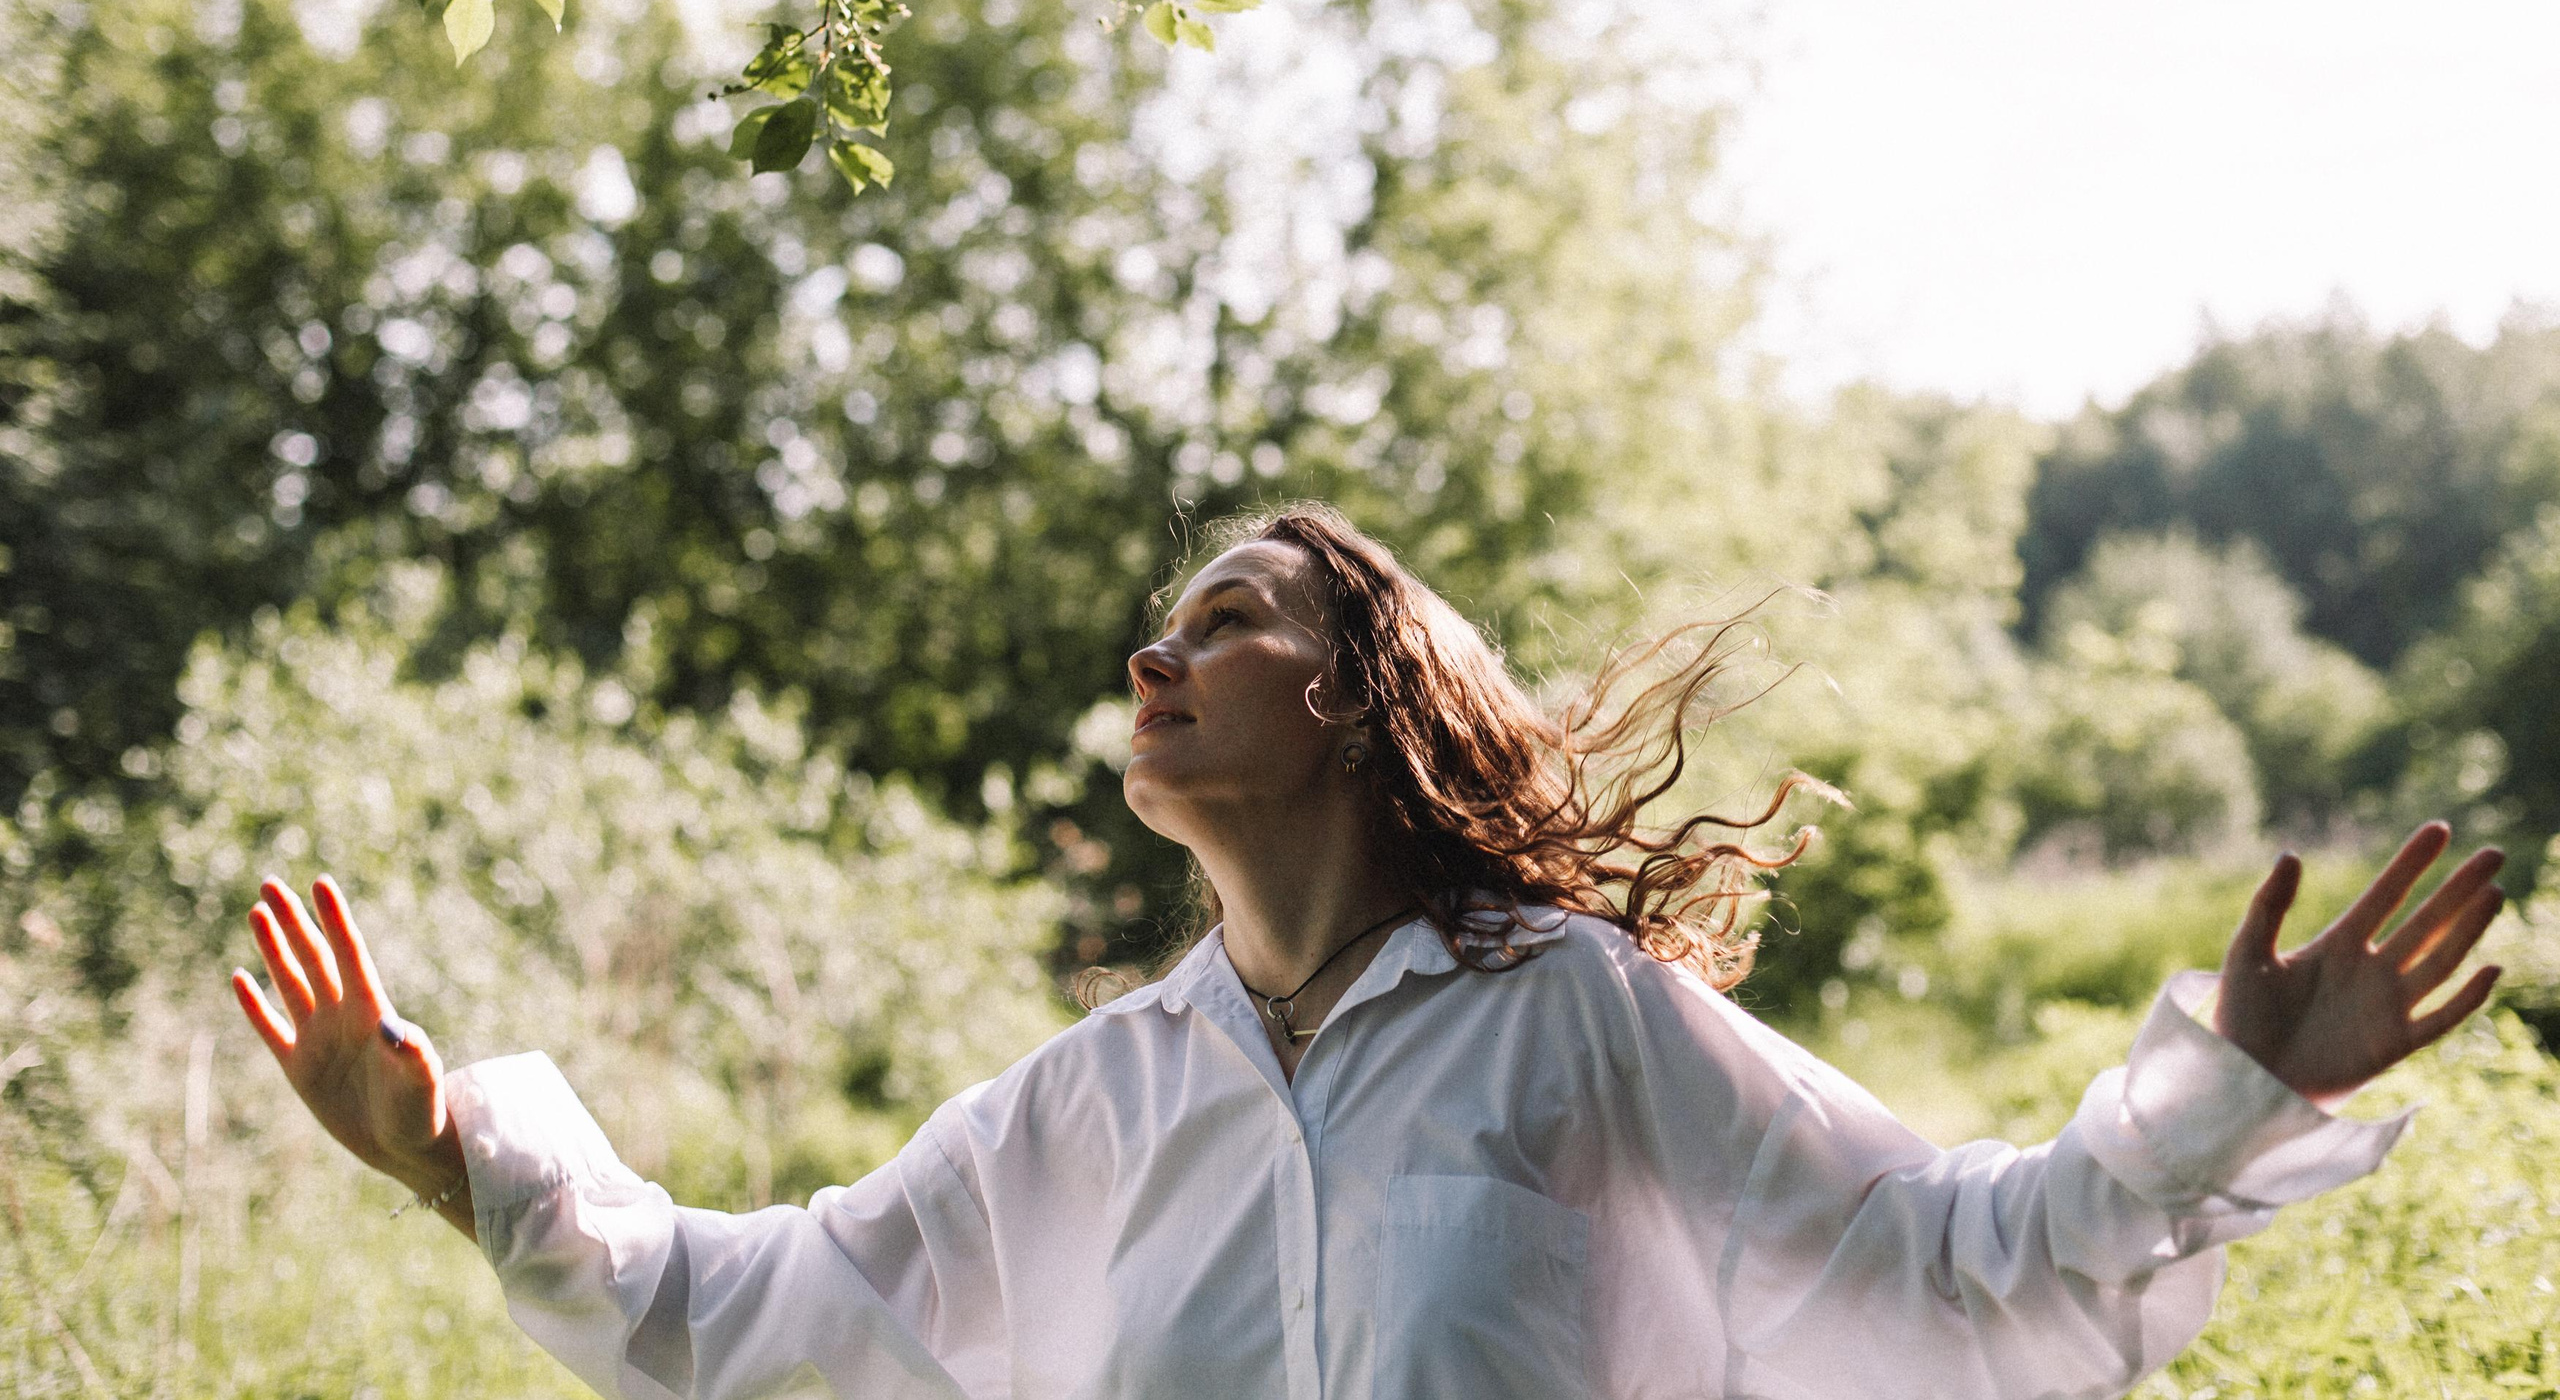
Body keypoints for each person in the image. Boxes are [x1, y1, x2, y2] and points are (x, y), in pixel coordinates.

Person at [234, 503, 2508, 1400]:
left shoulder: (1573, 1016)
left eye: (1225, 617)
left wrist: (2234, 1088)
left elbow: (1937, 1254)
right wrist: (447, 1151)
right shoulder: (1097, 1093)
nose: (1155, 654)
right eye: (1159, 623)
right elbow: (759, 1308)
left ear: (1361, 694)